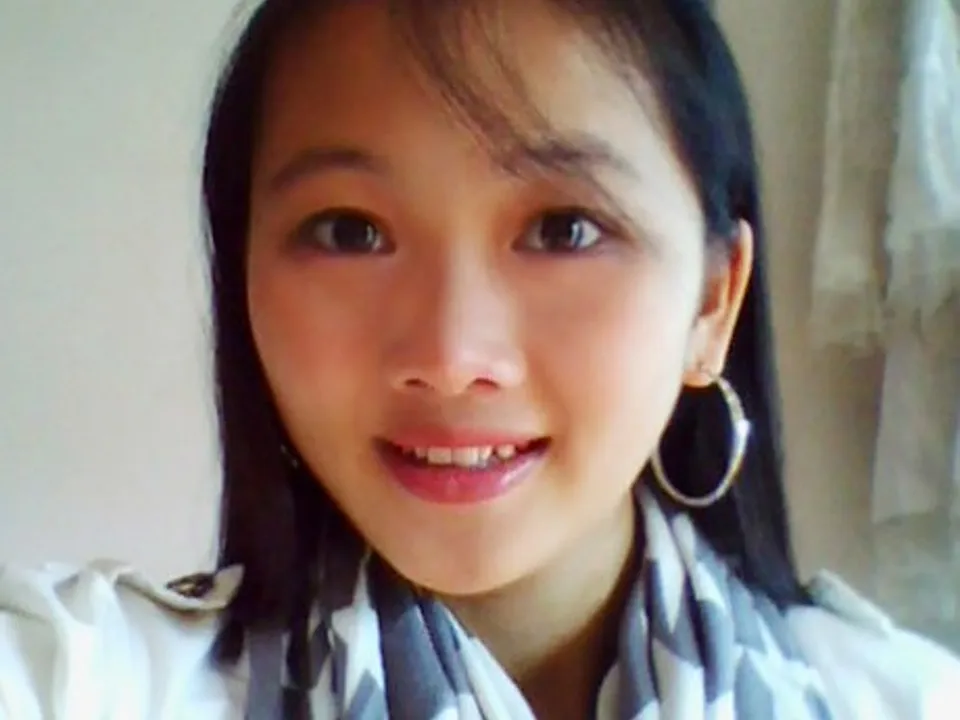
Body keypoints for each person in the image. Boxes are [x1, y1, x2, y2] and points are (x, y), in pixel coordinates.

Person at [2, 0, 959, 717]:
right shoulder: (77, 681)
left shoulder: (909, 701)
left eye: (564, 228)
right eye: (348, 231)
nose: (452, 357)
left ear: (713, 301)